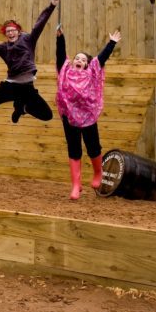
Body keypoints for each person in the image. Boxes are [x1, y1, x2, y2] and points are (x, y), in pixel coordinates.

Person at [56, 26, 121, 200]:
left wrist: (111, 43)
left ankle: (98, 172)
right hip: (69, 116)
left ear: (86, 65)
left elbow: (100, 59)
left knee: (93, 147)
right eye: (77, 58)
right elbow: (60, 56)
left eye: (83, 59)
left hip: (88, 116)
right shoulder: (65, 72)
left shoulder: (92, 74)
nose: (79, 60)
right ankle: (76, 185)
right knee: (74, 149)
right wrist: (60, 39)